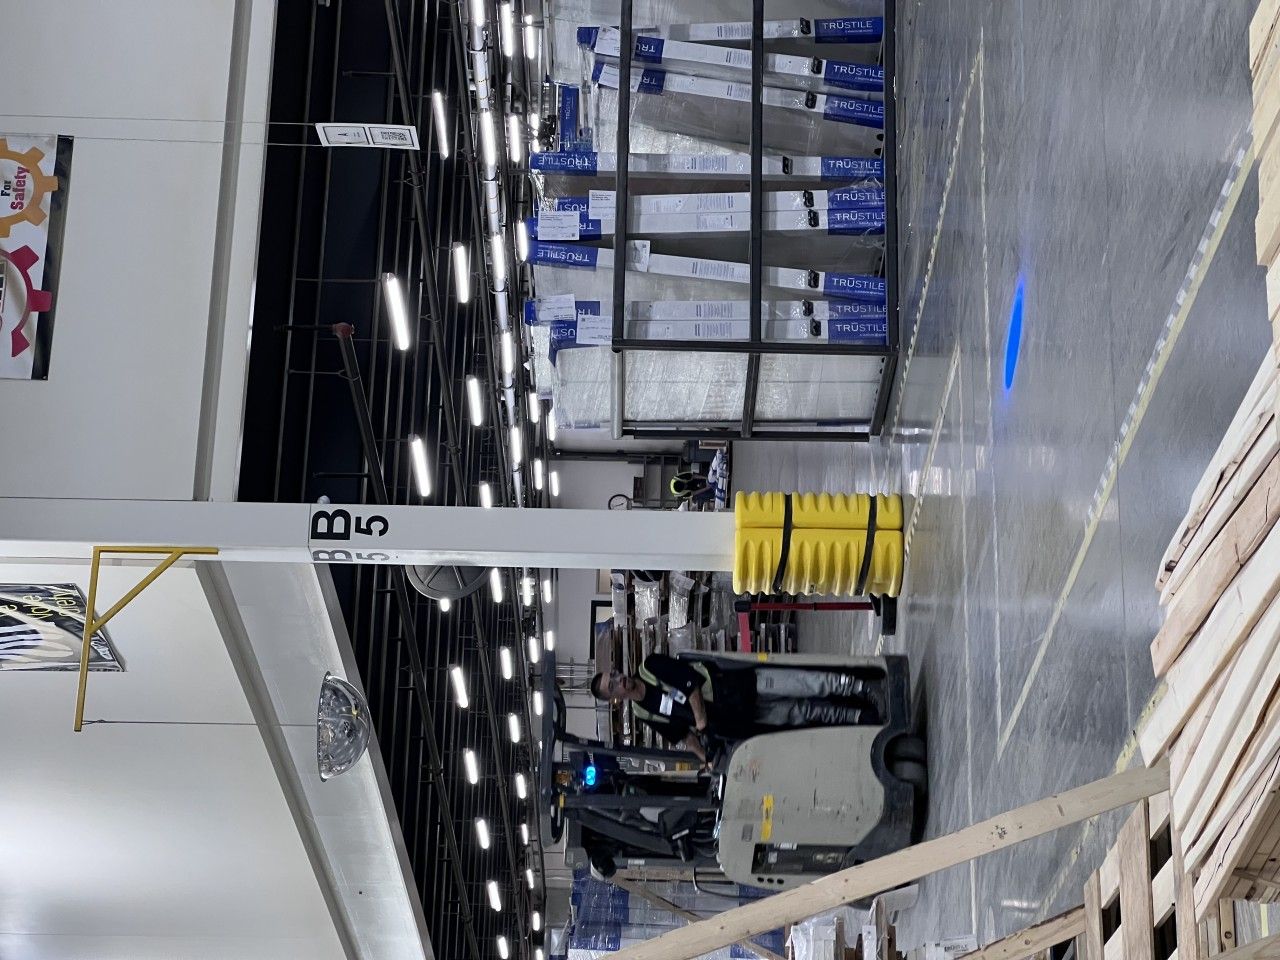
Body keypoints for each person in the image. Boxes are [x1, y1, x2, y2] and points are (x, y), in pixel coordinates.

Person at [590, 654, 876, 764]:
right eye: (612, 686)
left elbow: (691, 686)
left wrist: (701, 725)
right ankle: (854, 715)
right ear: (615, 700)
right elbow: (681, 736)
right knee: (798, 713)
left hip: (736, 686)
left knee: (803, 684)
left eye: (614, 675)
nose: (618, 680)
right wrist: (707, 758)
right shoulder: (643, 713)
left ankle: (859, 687)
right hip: (733, 719)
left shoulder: (650, 666)